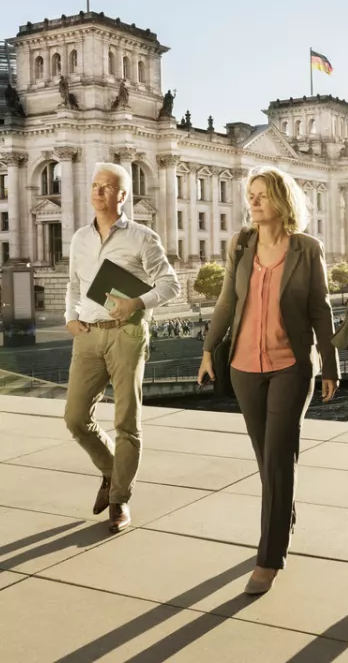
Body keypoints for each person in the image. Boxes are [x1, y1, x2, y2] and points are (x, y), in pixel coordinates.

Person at [198, 166, 340, 595]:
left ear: (281, 200)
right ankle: (284, 516)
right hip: (243, 368)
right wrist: (208, 350)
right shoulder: (240, 244)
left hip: (290, 367)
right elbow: (227, 300)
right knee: (268, 459)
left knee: (278, 456)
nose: (252, 202)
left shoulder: (306, 248)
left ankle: (269, 557)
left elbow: (320, 308)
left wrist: (330, 363)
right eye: (251, 195)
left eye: (260, 195)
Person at [64, 162, 180, 532]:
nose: (98, 192)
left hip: (127, 333)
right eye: (95, 186)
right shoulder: (80, 237)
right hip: (88, 334)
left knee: (126, 421)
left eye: (107, 187)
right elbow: (73, 284)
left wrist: (136, 303)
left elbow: (171, 284)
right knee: (75, 418)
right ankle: (112, 472)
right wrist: (70, 317)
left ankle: (119, 501)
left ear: (123, 196)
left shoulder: (143, 237)